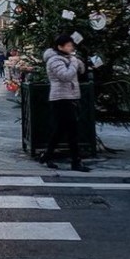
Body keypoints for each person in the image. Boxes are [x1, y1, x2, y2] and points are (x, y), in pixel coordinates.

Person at [38, 35, 91, 173]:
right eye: (68, 45)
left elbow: (81, 71)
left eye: (71, 45)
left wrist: (80, 63)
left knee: (61, 130)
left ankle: (47, 155)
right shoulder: (54, 60)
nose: (71, 48)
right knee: (71, 130)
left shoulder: (68, 58)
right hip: (61, 98)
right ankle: (75, 161)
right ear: (60, 47)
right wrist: (74, 62)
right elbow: (66, 76)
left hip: (70, 96)